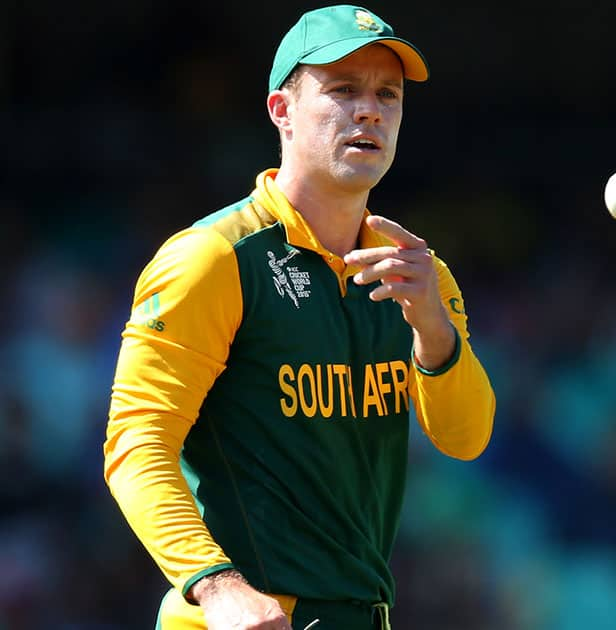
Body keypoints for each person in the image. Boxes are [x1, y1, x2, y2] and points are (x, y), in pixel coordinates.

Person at [103, 6, 496, 629]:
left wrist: (434, 328)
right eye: (343, 90)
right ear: (281, 111)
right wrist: (216, 587)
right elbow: (136, 445)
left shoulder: (418, 274)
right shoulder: (214, 259)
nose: (369, 110)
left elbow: (465, 438)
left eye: (387, 95)